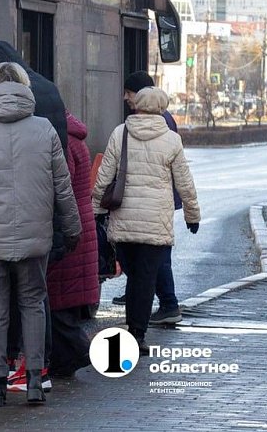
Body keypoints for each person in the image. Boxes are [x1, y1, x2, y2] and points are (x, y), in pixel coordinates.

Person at [0, 60, 81, 407]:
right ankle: (35, 381)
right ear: (25, 87)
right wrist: (72, 229)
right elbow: (63, 187)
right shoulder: (44, 129)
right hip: (35, 236)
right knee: (33, 302)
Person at [0, 40, 67, 392]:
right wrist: (69, 227)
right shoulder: (48, 94)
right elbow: (60, 178)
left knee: (4, 300)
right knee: (34, 296)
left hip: (0, 222)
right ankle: (34, 372)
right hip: (38, 215)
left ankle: (6, 371)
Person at [91, 87, 200, 352]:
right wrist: (192, 215)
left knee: (134, 277)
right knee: (146, 278)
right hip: (155, 223)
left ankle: (134, 329)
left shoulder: (120, 133)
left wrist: (95, 210)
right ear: (162, 109)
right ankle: (137, 334)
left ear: (137, 105)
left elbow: (104, 176)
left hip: (124, 221)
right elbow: (184, 182)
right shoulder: (171, 140)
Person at [112, 71, 183, 327]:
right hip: (155, 201)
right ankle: (143, 293)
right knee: (148, 258)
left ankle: (168, 303)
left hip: (154, 201)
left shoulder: (156, 124)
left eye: (129, 92)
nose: (125, 98)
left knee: (157, 258)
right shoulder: (162, 121)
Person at [45, 111, 99, 378]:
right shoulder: (75, 138)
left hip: (69, 225)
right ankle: (65, 360)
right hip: (79, 222)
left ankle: (79, 352)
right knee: (64, 299)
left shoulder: (63, 142)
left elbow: (60, 186)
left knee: (59, 300)